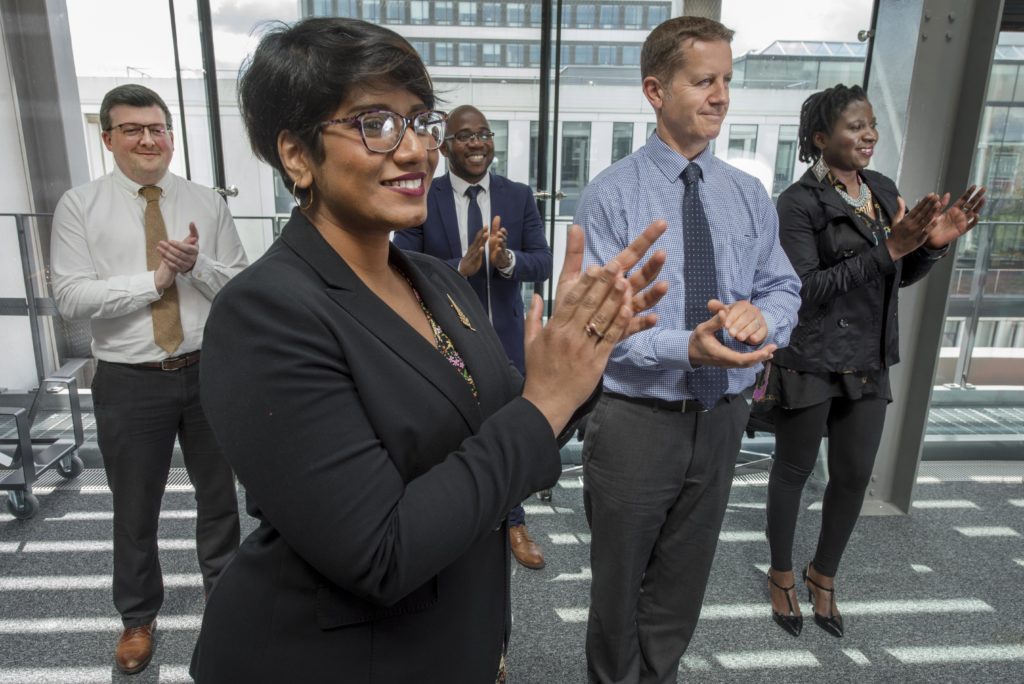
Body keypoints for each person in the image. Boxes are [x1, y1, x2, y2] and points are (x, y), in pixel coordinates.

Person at [188, 18, 669, 682]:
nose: (415, 150)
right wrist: (544, 400)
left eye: (420, 121)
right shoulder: (266, 312)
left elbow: (512, 431)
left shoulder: (436, 280)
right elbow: (380, 550)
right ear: (296, 155)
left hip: (454, 637)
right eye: (374, 123)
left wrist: (582, 359)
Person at [575, 16, 803, 683]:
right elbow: (598, 332)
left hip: (723, 419)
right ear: (655, 90)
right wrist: (688, 348)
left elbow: (783, 286)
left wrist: (762, 319)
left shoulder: (747, 195)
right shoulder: (612, 198)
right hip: (636, 424)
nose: (721, 96)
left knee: (681, 586)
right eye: (704, 80)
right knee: (618, 594)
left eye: (727, 80)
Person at [764, 83, 985, 638]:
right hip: (810, 355)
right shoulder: (795, 203)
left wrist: (931, 246)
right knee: (792, 472)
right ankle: (783, 574)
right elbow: (805, 288)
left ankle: (824, 574)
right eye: (854, 127)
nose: (869, 135)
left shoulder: (882, 190)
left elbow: (898, 275)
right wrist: (887, 248)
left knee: (855, 475)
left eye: (870, 125)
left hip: (867, 354)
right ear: (820, 138)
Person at [50, 84, 246, 674]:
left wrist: (197, 266)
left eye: (156, 128)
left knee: (219, 500)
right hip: (130, 380)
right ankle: (137, 617)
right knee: (135, 508)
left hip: (209, 370)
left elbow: (238, 288)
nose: (147, 139)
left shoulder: (206, 202)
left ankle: (225, 598)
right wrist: (153, 279)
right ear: (108, 138)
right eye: (132, 129)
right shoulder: (79, 206)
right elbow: (69, 297)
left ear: (170, 134)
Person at [393, 104, 554, 570]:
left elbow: (542, 260)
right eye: (465, 136)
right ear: (444, 146)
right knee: (452, 427)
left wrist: (506, 263)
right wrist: (457, 270)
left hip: (503, 335)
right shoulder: (425, 194)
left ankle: (514, 518)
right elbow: (401, 260)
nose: (478, 143)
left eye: (484, 133)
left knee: (512, 425)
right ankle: (457, 517)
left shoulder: (518, 195)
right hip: (443, 335)